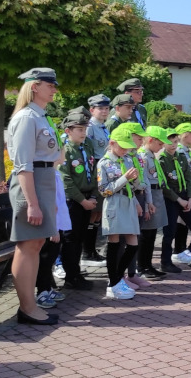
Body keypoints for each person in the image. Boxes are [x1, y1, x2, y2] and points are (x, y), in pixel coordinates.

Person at [6, 69, 64, 324]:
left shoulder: (41, 117)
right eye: (49, 85)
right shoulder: (26, 118)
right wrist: (32, 204)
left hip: (44, 180)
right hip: (31, 182)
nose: (54, 89)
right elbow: (23, 165)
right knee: (28, 246)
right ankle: (27, 308)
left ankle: (29, 306)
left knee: (37, 244)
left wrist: (47, 200)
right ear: (34, 87)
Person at [97, 124, 143, 300]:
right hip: (114, 203)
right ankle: (113, 284)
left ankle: (116, 279)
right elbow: (104, 190)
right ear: (112, 143)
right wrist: (125, 178)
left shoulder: (128, 160)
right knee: (114, 244)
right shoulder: (105, 163)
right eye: (122, 146)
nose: (125, 150)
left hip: (129, 201)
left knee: (133, 243)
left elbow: (136, 185)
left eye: (127, 146)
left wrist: (136, 179)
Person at [56, 109, 96, 291]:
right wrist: (82, 200)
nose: (83, 132)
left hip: (87, 199)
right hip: (73, 201)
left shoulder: (87, 146)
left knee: (80, 238)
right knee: (70, 239)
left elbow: (94, 172)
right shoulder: (66, 150)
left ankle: (76, 272)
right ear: (68, 131)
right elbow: (66, 180)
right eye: (79, 129)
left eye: (84, 129)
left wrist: (94, 196)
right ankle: (71, 276)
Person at [158, 126, 191, 273]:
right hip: (172, 199)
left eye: (176, 140)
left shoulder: (181, 156)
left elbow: (188, 178)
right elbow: (164, 185)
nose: (173, 144)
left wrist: (189, 197)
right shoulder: (162, 160)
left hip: (185, 197)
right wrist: (179, 200)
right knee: (169, 232)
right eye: (170, 141)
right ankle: (165, 262)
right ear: (163, 143)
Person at [136, 126, 171, 279]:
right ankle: (142, 266)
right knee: (146, 234)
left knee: (152, 234)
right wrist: (146, 203)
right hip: (149, 196)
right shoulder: (143, 156)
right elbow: (144, 182)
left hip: (156, 193)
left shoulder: (151, 154)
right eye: (159, 143)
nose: (162, 146)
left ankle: (148, 265)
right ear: (150, 140)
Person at [82, 94, 111, 265]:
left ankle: (91, 250)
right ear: (92, 110)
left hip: (103, 170)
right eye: (101, 108)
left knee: (98, 214)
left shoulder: (103, 127)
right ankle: (87, 251)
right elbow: (90, 153)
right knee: (93, 213)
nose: (104, 111)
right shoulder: (91, 127)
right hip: (96, 169)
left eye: (106, 108)